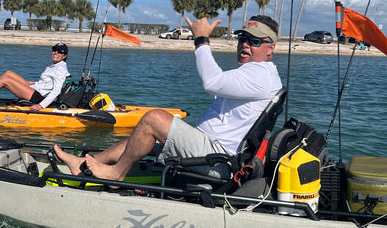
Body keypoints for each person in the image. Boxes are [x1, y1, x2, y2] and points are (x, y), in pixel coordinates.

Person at [54, 15, 282, 181]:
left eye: (254, 41)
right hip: (211, 151)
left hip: (217, 159)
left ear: (270, 48)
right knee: (144, 136)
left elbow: (211, 82)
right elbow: (217, 82)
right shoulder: (256, 74)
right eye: (243, 38)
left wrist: (201, 38)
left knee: (153, 119)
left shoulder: (261, 74)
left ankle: (115, 174)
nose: (245, 45)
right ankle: (85, 163)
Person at [0, 43, 70, 111]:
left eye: (59, 52)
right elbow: (48, 83)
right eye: (54, 50)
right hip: (36, 88)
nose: (55, 53)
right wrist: (33, 83)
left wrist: (41, 105)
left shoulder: (60, 69)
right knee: (9, 73)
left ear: (64, 56)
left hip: (38, 97)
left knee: (6, 81)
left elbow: (56, 90)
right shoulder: (54, 66)